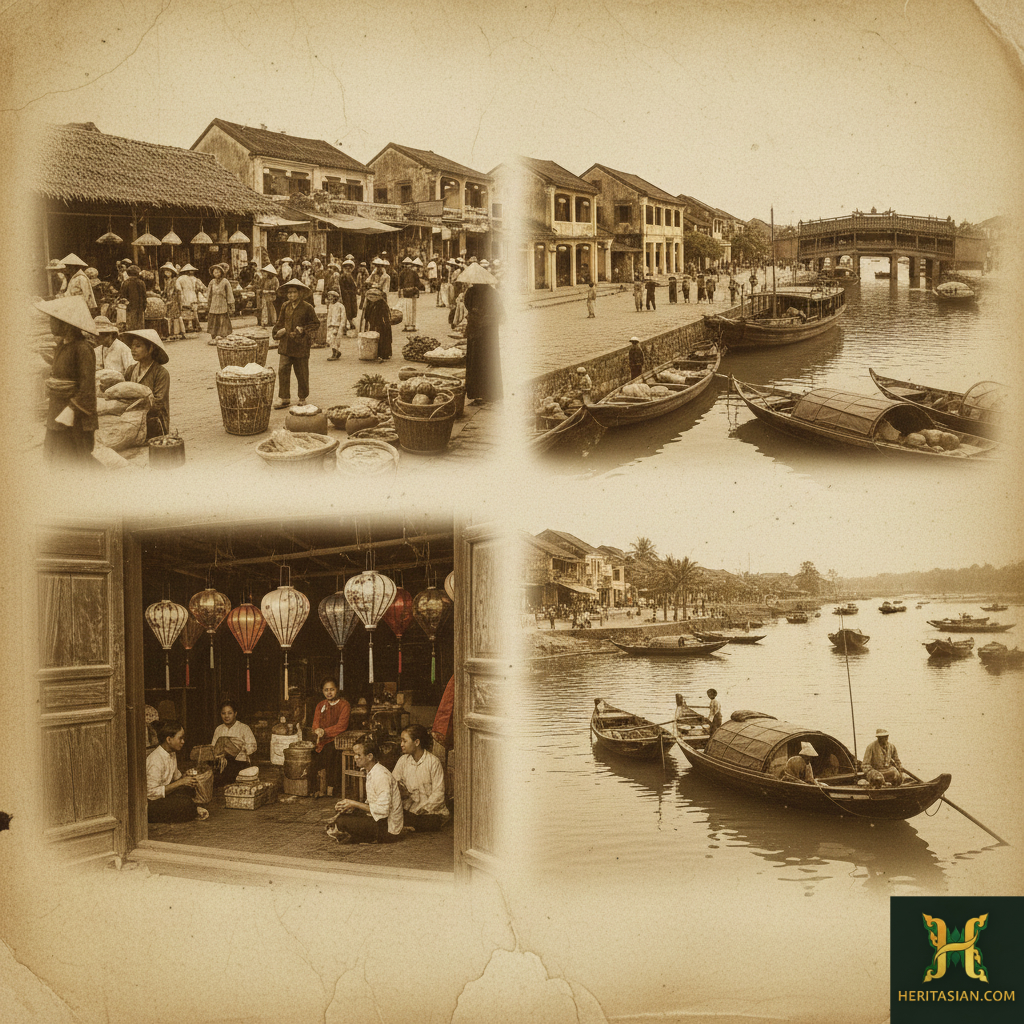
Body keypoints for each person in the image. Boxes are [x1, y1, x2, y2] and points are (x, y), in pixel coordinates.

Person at [36, 296, 99, 466]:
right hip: (57, 410)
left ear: (67, 324)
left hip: (75, 416)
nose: (51, 324)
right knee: (56, 458)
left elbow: (87, 388)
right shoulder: (62, 346)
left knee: (76, 461)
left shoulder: (83, 349)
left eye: (54, 319)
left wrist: (71, 409)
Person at [327, 737, 403, 844]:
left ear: (370, 756)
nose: (355, 758)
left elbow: (383, 811)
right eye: (355, 754)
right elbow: (372, 803)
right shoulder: (371, 771)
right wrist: (350, 807)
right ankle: (355, 835)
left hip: (388, 829)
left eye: (358, 755)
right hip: (379, 820)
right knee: (342, 817)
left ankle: (363, 837)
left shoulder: (381, 775)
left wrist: (353, 804)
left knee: (342, 822)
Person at [146, 720, 208, 823]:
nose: (183, 742)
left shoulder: (172, 753)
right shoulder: (155, 760)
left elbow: (176, 777)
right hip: (152, 802)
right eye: (180, 738)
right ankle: (193, 809)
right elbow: (151, 794)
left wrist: (185, 776)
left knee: (189, 790)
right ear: (169, 739)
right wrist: (181, 782)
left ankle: (192, 809)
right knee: (185, 804)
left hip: (165, 795)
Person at [392, 725, 449, 832]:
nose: (401, 744)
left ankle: (408, 826)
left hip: (429, 813)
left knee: (428, 821)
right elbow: (393, 784)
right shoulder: (403, 760)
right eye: (401, 741)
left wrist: (422, 809)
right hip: (409, 810)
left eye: (404, 741)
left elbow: (439, 794)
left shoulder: (433, 762)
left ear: (417, 742)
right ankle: (408, 826)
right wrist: (400, 789)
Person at [273, 279, 319, 407]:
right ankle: (284, 398)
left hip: (301, 345)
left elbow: (315, 323)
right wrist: (277, 332)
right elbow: (280, 322)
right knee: (283, 370)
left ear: (299, 293)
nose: (291, 295)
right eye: (289, 293)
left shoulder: (307, 307)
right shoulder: (285, 306)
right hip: (286, 344)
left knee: (301, 372)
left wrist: (303, 329)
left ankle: (302, 397)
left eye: (294, 292)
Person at [124, 328, 171, 438]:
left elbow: (158, 403)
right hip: (132, 422)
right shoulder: (130, 370)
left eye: (138, 346)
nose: (133, 349)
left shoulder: (161, 373)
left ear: (150, 349)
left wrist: (134, 406)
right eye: (132, 346)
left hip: (154, 423)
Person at [463, 280, 504, 404]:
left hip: (476, 331)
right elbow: (499, 312)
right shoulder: (493, 292)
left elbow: (467, 306)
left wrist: (475, 314)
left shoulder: (470, 291)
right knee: (489, 361)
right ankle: (491, 393)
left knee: (475, 362)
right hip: (489, 333)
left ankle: (476, 393)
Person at [311, 678, 350, 798]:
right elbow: (315, 723)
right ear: (322, 691)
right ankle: (318, 788)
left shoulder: (344, 705)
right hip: (322, 740)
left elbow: (341, 726)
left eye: (332, 689)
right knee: (312, 756)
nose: (329, 692)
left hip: (337, 739)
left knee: (330, 754)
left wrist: (325, 731)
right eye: (326, 690)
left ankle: (330, 789)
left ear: (337, 689)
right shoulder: (320, 705)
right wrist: (317, 730)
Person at [210, 700, 257, 787]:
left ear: (235, 713)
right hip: (222, 764)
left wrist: (240, 747)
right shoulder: (219, 729)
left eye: (230, 713)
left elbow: (253, 747)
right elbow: (213, 748)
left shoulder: (244, 728)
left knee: (228, 778)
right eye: (223, 713)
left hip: (240, 763)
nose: (226, 716)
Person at [359, 277, 393, 361]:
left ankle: (383, 354)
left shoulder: (382, 303)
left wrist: (385, 322)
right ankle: (376, 353)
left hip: (381, 323)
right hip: (374, 323)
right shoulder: (369, 303)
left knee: (382, 338)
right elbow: (366, 314)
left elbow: (386, 315)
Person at [205, 263, 235, 342]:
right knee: (214, 319)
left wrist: (231, 304)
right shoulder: (212, 282)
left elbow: (229, 294)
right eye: (215, 272)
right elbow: (209, 293)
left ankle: (223, 335)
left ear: (221, 273)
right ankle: (214, 335)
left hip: (222, 303)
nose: (216, 273)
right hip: (214, 303)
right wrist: (208, 303)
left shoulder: (225, 282)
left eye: (218, 272)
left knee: (223, 319)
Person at [118, 265, 147, 331]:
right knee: (139, 325)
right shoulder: (141, 283)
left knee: (130, 324)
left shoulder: (126, 283)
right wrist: (144, 306)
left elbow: (122, 295)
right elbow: (144, 296)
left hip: (129, 307)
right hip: (140, 307)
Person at [160, 264, 185, 340]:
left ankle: (176, 333)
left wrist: (173, 300)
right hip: (169, 300)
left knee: (175, 317)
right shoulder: (167, 281)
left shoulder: (174, 280)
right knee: (170, 317)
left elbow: (177, 291)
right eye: (166, 272)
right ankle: (172, 333)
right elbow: (166, 291)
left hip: (174, 300)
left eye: (168, 271)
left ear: (172, 272)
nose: (167, 273)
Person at [174, 264, 202, 334]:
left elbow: (178, 289)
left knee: (186, 312)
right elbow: (200, 288)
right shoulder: (195, 279)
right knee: (194, 312)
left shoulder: (180, 279)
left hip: (185, 297)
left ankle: (187, 327)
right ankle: (196, 326)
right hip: (193, 297)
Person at [399, 256, 421, 332]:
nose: (407, 266)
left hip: (411, 293)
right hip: (408, 293)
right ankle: (408, 325)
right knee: (407, 310)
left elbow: (417, 284)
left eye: (408, 264)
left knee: (411, 310)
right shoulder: (403, 273)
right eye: (406, 264)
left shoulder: (412, 273)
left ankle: (411, 325)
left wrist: (416, 292)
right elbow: (400, 285)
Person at [324, 289, 345, 360]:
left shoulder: (340, 306)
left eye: (331, 297)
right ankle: (336, 352)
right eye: (329, 297)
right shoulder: (330, 306)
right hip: (331, 325)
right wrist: (328, 324)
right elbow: (329, 316)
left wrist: (342, 325)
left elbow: (343, 317)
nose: (330, 298)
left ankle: (335, 353)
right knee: (331, 340)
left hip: (337, 325)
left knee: (336, 339)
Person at [339, 260, 358, 335]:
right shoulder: (343, 277)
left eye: (349, 268)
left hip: (351, 296)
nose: (348, 269)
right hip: (346, 296)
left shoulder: (350, 276)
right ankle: (345, 326)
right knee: (346, 311)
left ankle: (349, 324)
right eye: (346, 268)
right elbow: (342, 287)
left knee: (351, 311)